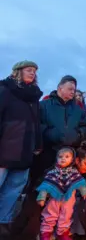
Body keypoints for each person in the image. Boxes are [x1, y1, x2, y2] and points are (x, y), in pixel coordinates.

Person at [0, 61, 43, 232]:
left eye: (34, 71)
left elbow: (36, 123)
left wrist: (38, 143)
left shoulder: (33, 97)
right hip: (4, 149)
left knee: (13, 191)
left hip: (25, 150)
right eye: (28, 70)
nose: (32, 73)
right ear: (18, 71)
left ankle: (3, 223)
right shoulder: (5, 90)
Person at [33, 75, 86, 184]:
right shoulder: (43, 105)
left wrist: (77, 135)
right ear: (60, 88)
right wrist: (50, 133)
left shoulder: (78, 110)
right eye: (70, 89)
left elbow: (85, 127)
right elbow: (36, 124)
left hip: (69, 155)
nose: (73, 92)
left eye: (74, 89)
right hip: (46, 154)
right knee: (40, 188)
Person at [36, 147, 86, 240]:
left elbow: (80, 183)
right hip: (54, 199)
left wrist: (84, 191)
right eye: (60, 157)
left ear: (72, 159)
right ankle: (45, 233)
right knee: (50, 214)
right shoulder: (52, 173)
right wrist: (42, 197)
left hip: (68, 199)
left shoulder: (74, 173)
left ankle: (62, 233)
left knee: (66, 215)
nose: (63, 159)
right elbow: (46, 185)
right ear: (56, 159)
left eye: (67, 156)